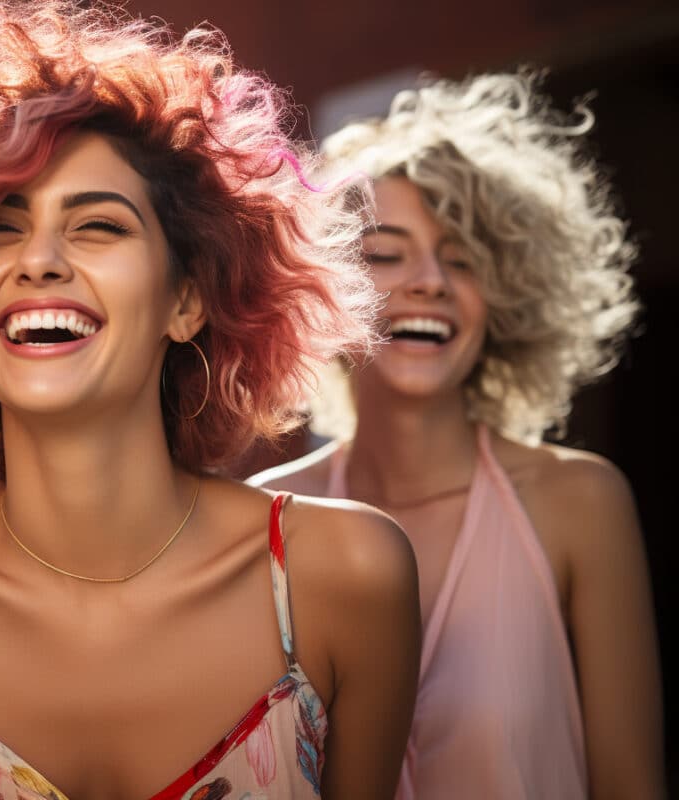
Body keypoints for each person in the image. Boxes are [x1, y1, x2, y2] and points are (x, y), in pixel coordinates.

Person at [0, 2, 421, 797]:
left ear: (188, 300)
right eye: (0, 230)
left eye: (98, 227)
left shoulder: (348, 576)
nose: (39, 260)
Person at [250, 72, 665, 799]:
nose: (431, 281)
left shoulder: (579, 502)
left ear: (505, 296)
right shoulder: (261, 522)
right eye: (386, 253)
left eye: (465, 259)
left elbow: (632, 785)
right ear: (327, 287)